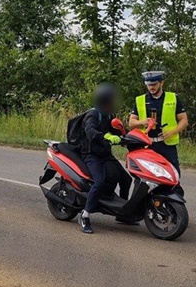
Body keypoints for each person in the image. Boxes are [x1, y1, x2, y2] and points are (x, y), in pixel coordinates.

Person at [70, 83, 131, 234]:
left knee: (126, 179)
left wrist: (127, 137)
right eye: (112, 99)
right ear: (105, 100)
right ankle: (85, 215)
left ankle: (122, 214)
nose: (114, 102)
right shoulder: (93, 114)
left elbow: (115, 130)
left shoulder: (109, 114)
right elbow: (90, 131)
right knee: (99, 181)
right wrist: (106, 136)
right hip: (91, 155)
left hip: (104, 154)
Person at [128, 70, 188, 192]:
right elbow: (131, 122)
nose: (151, 87)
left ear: (161, 83)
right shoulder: (140, 100)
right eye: (149, 85)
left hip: (167, 145)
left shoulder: (173, 98)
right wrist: (142, 122)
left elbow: (184, 120)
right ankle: (139, 207)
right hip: (147, 145)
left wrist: (172, 131)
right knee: (143, 178)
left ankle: (175, 206)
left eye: (154, 84)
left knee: (173, 176)